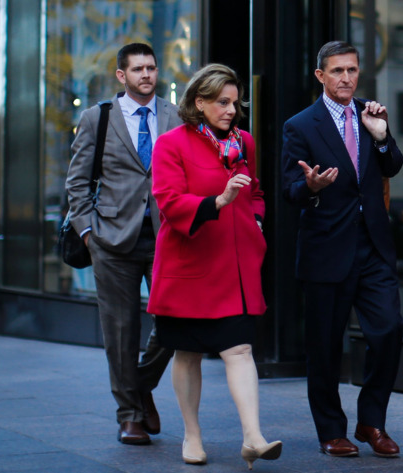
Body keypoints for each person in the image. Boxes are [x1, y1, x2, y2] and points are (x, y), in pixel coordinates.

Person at [147, 63, 282, 469]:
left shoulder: (245, 143)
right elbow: (169, 201)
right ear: (199, 102)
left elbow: (255, 192)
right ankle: (192, 435)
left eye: (235, 102)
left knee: (239, 348)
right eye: (222, 102)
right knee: (186, 351)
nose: (231, 110)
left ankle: (253, 437)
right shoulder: (171, 144)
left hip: (236, 268)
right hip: (189, 266)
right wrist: (218, 202)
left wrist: (255, 219)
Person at [281, 41, 403, 458]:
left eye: (352, 70)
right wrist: (311, 186)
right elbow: (289, 190)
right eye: (337, 71)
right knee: (325, 346)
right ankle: (331, 430)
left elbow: (392, 165)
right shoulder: (300, 125)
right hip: (327, 248)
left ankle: (372, 421)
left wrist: (381, 137)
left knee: (388, 330)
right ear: (321, 76)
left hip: (373, 246)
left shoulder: (371, 112)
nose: (346, 78)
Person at [65, 43, 181, 445]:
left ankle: (140, 386)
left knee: (175, 322)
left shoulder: (175, 115)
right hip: (111, 240)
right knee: (120, 331)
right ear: (122, 75)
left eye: (151, 68)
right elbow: (77, 182)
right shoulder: (97, 117)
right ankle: (129, 415)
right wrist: (87, 233)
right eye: (137, 69)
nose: (146, 75)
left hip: (167, 237)